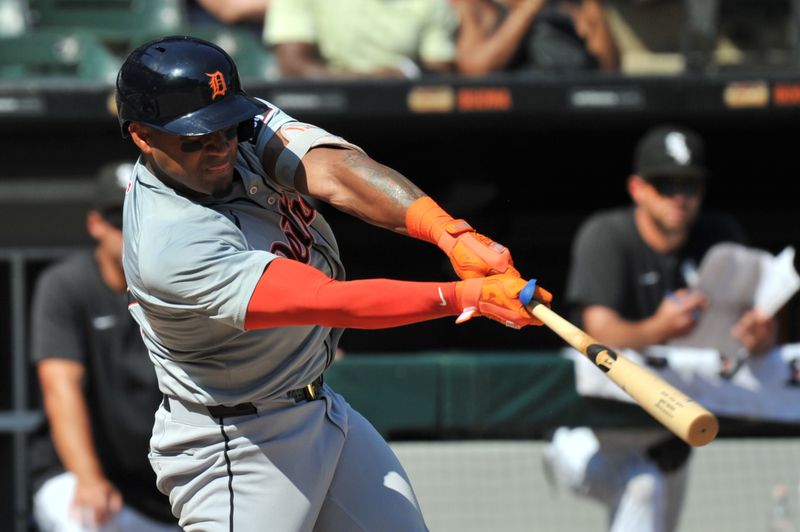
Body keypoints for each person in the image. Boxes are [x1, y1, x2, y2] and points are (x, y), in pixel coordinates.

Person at [114, 35, 552, 531]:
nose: (220, 146)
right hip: (237, 443)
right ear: (143, 137)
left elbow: (338, 174)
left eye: (226, 127)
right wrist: (463, 296)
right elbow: (329, 302)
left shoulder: (235, 126)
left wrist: (451, 235)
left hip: (318, 407)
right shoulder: (170, 242)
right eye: (196, 137)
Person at [544, 124, 777, 532]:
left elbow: (763, 327)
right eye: (664, 184)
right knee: (641, 486)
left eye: (689, 185)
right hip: (589, 427)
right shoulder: (608, 234)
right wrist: (661, 327)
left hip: (664, 432)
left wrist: (760, 335)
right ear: (637, 188)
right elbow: (596, 330)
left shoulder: (719, 239)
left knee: (651, 493)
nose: (679, 197)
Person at [29, 165, 177, 531]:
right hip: (89, 477)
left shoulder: (182, 286)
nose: (130, 229)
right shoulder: (67, 285)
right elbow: (60, 388)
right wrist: (90, 478)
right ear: (96, 224)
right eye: (119, 218)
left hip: (171, 487)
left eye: (140, 214)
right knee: (80, 519)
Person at [263, 0, 458, 78]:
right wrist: (376, 80)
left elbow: (439, 69)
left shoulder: (430, 4)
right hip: (319, 124)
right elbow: (293, 65)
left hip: (409, 122)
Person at [452, 0, 620, 75]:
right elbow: (475, 68)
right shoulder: (481, 8)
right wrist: (529, 8)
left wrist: (594, 8)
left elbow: (609, 70)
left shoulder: (573, 7)